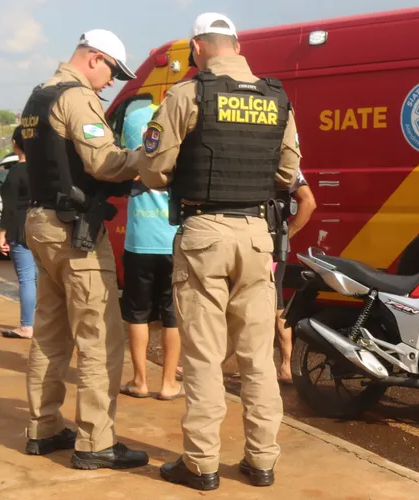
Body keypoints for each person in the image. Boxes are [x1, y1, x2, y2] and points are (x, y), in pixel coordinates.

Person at [137, 12, 300, 492]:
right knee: (258, 359)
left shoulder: (187, 94)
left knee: (205, 357)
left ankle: (202, 465)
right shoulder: (277, 98)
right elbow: (288, 173)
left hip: (205, 231)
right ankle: (262, 461)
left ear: (197, 46)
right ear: (235, 44)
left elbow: (152, 169)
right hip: (256, 234)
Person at [19, 29, 149, 471]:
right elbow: (103, 162)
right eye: (112, 70)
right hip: (73, 232)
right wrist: (148, 161)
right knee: (99, 338)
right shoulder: (77, 97)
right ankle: (96, 443)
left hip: (40, 223)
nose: (111, 82)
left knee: (51, 333)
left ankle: (43, 428)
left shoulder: (38, 96)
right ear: (94, 58)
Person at [117, 104, 183, 401]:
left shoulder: (133, 135)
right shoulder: (180, 140)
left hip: (138, 241)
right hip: (172, 240)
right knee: (172, 315)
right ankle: (168, 383)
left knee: (138, 314)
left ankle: (140, 380)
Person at [273, 168, 316, 383]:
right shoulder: (284, 162)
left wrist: (284, 236)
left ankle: (286, 367)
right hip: (266, 248)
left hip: (267, 250)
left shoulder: (284, 165)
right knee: (275, 305)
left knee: (273, 306)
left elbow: (308, 203)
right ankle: (286, 367)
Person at [0, 126, 35, 339]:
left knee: (26, 279)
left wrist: (2, 233)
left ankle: (26, 326)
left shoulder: (15, 172)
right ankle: (42, 323)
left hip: (20, 227)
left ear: (15, 144)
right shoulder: (46, 170)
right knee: (40, 278)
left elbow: (9, 207)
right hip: (42, 225)